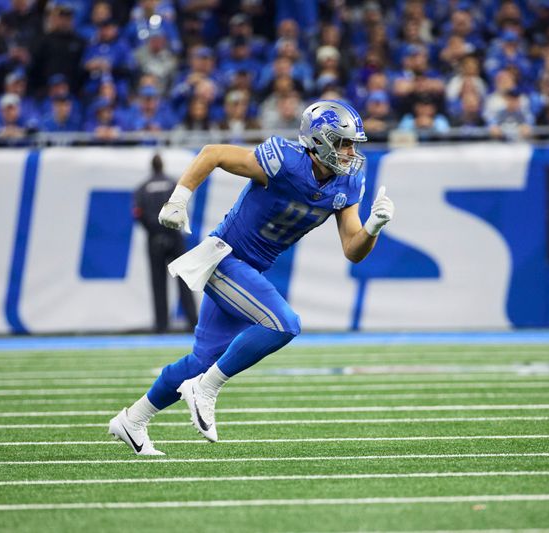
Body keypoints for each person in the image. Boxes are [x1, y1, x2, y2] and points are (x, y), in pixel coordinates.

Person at [108, 100, 395, 455]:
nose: (351, 152)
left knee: (201, 360)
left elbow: (353, 248)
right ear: (319, 142)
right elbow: (213, 153)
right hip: (224, 258)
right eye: (344, 143)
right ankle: (205, 388)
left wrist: (373, 227)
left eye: (353, 143)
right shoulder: (284, 161)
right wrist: (178, 199)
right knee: (284, 324)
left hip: (249, 270)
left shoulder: (349, 182)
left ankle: (132, 420)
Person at [134, 154, 199, 334]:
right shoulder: (173, 185)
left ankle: (161, 324)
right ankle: (192, 321)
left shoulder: (142, 188)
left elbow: (137, 213)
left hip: (154, 238)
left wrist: (153, 230)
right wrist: (170, 229)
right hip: (175, 237)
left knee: (158, 282)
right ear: (162, 165)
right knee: (184, 280)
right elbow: (181, 207)